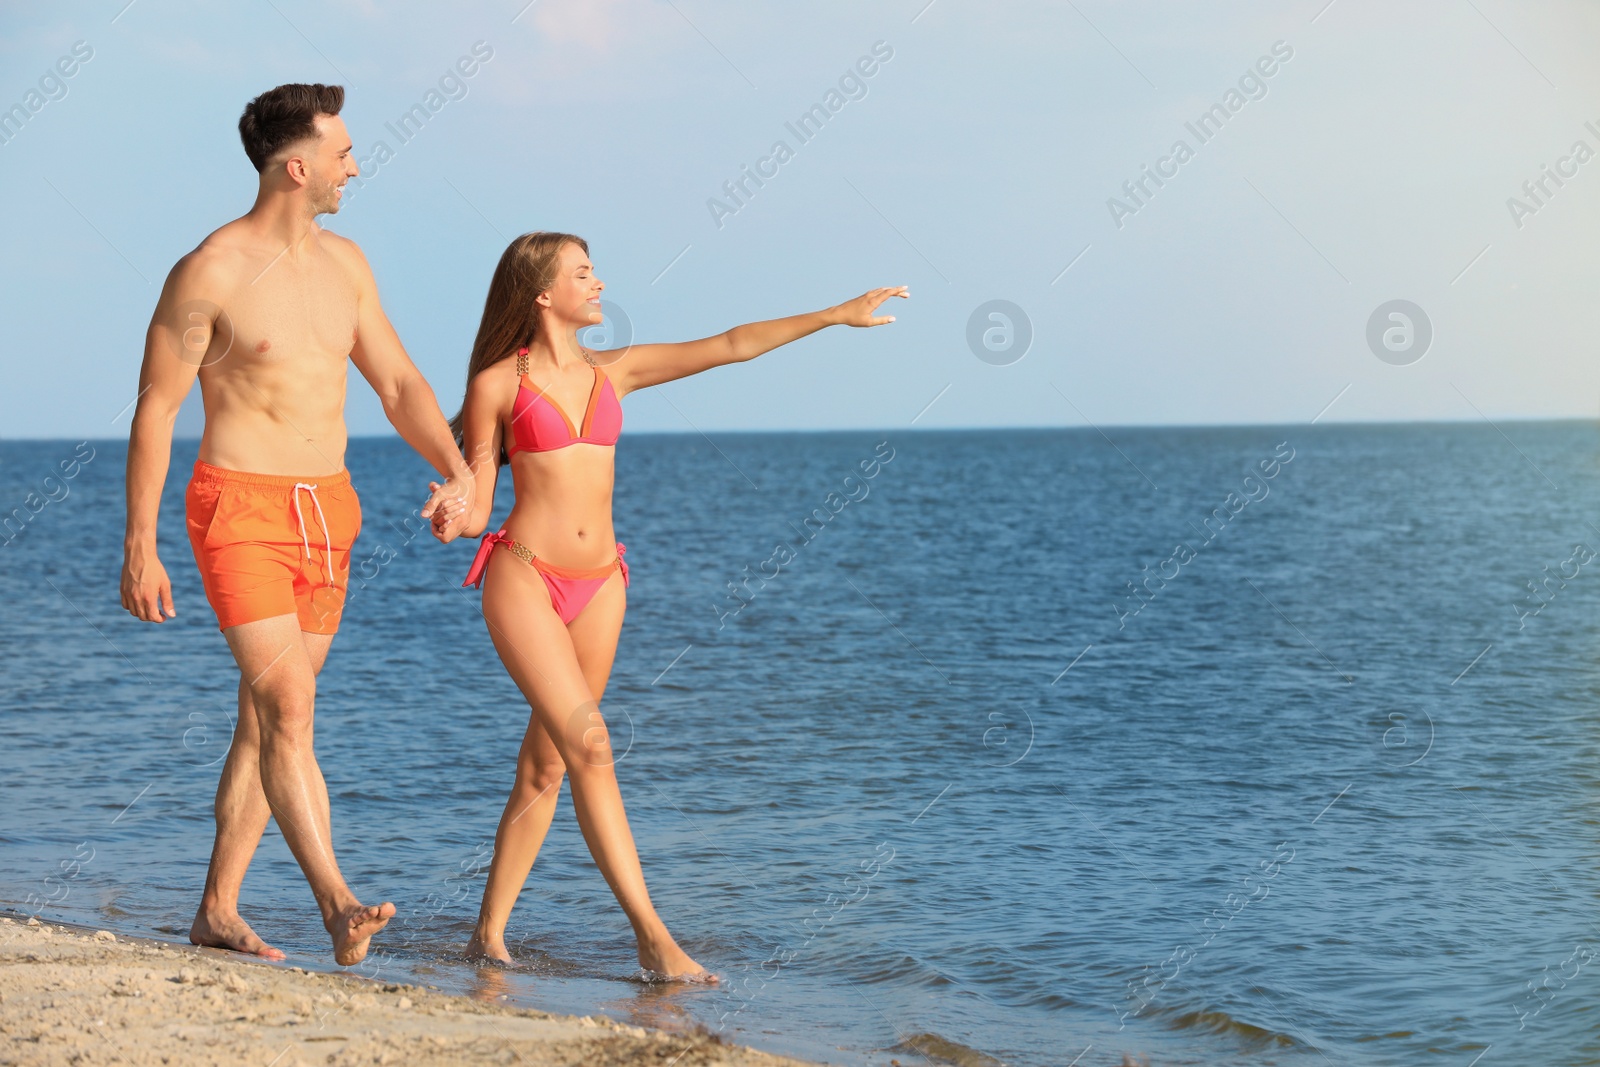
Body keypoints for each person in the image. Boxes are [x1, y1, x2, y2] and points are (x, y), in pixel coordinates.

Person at [436, 231, 906, 977]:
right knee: (590, 744)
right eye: (582, 274)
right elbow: (479, 501)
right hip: (523, 574)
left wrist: (835, 313)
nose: (598, 283)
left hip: (602, 584)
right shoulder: (499, 383)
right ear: (542, 295)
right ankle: (655, 940)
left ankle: (486, 933)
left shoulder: (616, 371)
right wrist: (451, 512)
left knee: (547, 765)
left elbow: (730, 344)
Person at [119, 83, 475, 966]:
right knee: (291, 703)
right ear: (298, 165)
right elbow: (158, 406)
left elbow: (398, 386)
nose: (356, 166)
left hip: (329, 511)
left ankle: (217, 909)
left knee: (264, 715)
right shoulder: (210, 270)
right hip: (238, 507)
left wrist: (461, 472)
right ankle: (340, 903)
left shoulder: (347, 264)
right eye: (345, 152)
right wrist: (141, 540)